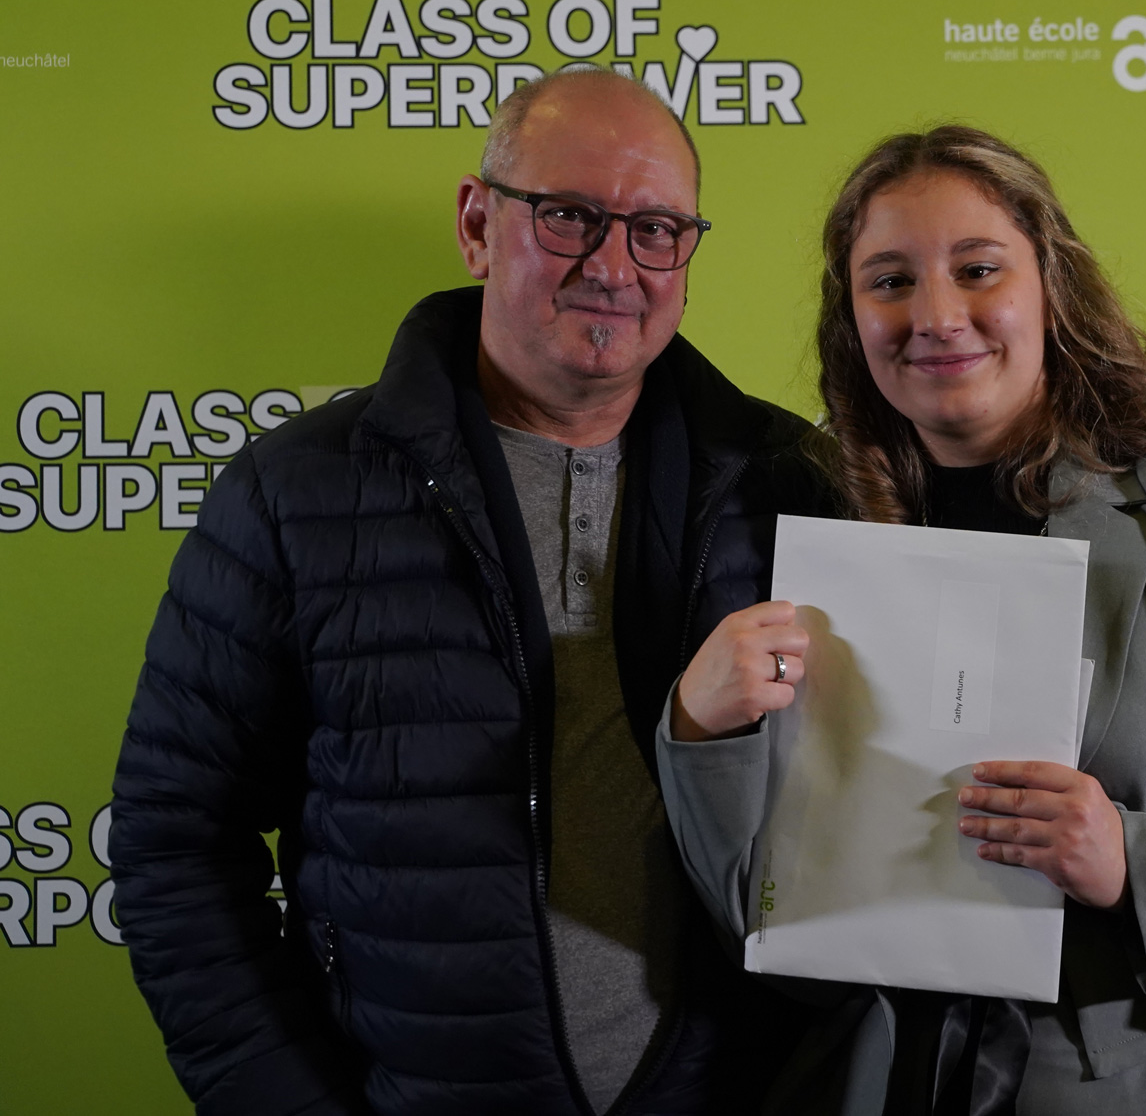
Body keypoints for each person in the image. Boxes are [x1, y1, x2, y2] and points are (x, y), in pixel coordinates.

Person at [658, 125, 1146, 1115]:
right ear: (850, 318)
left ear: (1050, 287)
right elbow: (767, 919)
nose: (936, 314)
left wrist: (1135, 861)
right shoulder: (813, 538)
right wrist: (698, 729)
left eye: (977, 269)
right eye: (890, 281)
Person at [109, 69, 842, 1114]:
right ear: (475, 224)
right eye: (568, 215)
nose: (613, 266)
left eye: (655, 230)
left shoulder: (787, 481)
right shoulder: (295, 493)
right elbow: (173, 839)